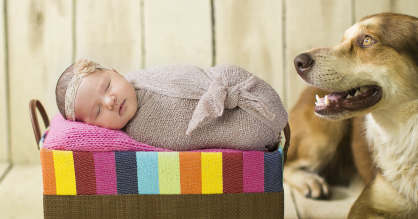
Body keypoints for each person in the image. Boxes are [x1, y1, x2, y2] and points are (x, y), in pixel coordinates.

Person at [56, 58, 288, 151]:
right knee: (240, 131)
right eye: (97, 111)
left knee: (226, 76)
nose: (109, 101)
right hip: (234, 131)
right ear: (93, 128)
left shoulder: (141, 77)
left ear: (116, 72)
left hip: (230, 86)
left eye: (107, 86)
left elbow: (184, 75)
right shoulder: (131, 138)